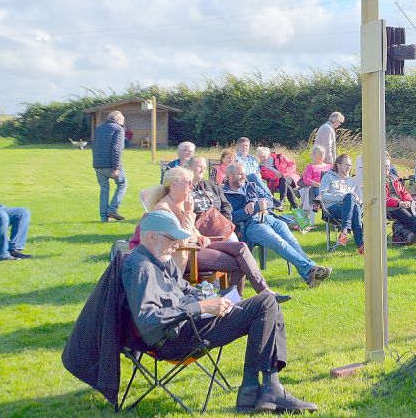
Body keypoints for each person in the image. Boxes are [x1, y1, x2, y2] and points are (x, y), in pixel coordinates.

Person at [121, 209, 317, 413]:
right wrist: (201, 307)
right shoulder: (141, 268)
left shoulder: (161, 260)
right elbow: (148, 319)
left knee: (267, 304)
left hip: (189, 325)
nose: (177, 245)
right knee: (265, 304)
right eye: (172, 238)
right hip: (174, 340)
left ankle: (260, 390)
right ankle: (262, 390)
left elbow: (185, 288)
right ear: (151, 237)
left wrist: (210, 299)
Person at [145, 167, 288, 301]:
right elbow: (181, 240)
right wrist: (189, 212)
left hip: (197, 245)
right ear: (173, 185)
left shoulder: (179, 203)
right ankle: (235, 300)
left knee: (241, 247)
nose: (192, 186)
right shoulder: (164, 209)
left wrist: (200, 236)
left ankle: (263, 291)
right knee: (238, 263)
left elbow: (192, 230)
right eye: (188, 183)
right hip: (186, 254)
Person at [224, 164, 331, 288]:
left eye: (244, 173)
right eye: (240, 174)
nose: (244, 176)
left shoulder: (249, 185)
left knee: (292, 241)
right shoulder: (225, 195)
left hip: (270, 218)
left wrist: (262, 203)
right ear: (230, 176)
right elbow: (231, 216)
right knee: (279, 242)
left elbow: (269, 199)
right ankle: (311, 269)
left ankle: (309, 274)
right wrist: (255, 208)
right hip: (251, 225)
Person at [320, 153, 364, 254]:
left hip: (350, 209)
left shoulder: (353, 181)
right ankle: (360, 244)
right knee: (350, 197)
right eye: (346, 165)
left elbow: (361, 199)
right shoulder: (328, 177)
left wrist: (357, 199)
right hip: (332, 208)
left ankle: (345, 231)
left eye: (350, 165)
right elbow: (323, 196)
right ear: (338, 165)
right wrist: (344, 197)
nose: (349, 167)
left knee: (355, 205)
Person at [92, 110, 127, 222]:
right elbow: (117, 149)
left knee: (104, 189)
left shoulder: (99, 129)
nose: (123, 123)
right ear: (117, 119)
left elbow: (94, 146)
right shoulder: (118, 129)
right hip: (110, 165)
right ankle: (112, 209)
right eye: (122, 120)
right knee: (122, 184)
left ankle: (104, 217)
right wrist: (116, 167)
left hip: (98, 164)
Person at [385, 154, 416, 244]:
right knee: (410, 218)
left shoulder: (393, 178)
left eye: (388, 166)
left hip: (402, 204)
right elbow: (382, 198)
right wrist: (399, 203)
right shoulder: (377, 180)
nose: (387, 168)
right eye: (384, 166)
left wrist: (408, 200)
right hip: (389, 207)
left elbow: (404, 192)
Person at [234, 137, 277, 204]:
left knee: (255, 177)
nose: (245, 148)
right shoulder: (235, 157)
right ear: (238, 147)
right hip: (243, 180)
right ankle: (271, 198)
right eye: (242, 146)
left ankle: (268, 204)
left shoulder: (252, 158)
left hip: (255, 182)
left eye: (246, 146)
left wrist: (258, 179)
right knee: (253, 176)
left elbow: (258, 172)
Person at [301, 145, 332, 212]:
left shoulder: (330, 167)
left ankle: (317, 203)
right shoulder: (310, 167)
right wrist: (316, 184)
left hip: (330, 187)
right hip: (317, 187)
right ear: (314, 154)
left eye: (323, 152)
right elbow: (306, 179)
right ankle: (318, 202)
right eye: (320, 152)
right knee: (318, 188)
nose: (322, 154)